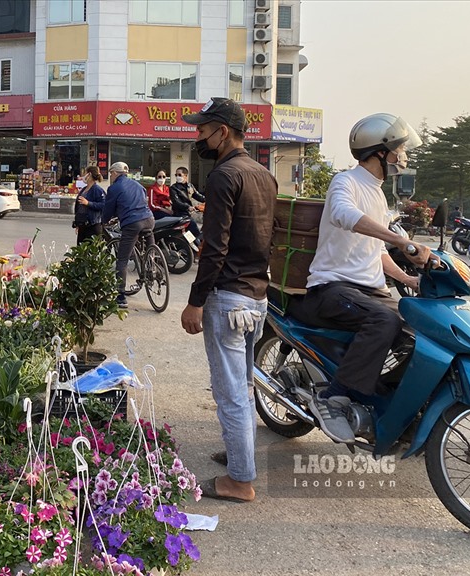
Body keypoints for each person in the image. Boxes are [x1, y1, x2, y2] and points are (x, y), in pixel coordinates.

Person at [298, 113, 432, 444]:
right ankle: (334, 396)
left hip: (370, 289)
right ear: (379, 152)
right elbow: (344, 216)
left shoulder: (378, 193)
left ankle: (388, 403)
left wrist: (408, 280)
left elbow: (374, 251)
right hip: (332, 287)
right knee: (385, 320)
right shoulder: (346, 182)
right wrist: (401, 239)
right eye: (400, 149)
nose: (404, 156)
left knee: (423, 326)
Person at [179, 97, 276, 503]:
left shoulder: (223, 175)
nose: (197, 134)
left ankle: (240, 481)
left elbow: (214, 247)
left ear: (223, 131)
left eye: (203, 128)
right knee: (243, 385)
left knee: (230, 391)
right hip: (256, 298)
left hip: (229, 298)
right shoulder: (262, 174)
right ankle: (241, 458)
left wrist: (195, 300)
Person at [102, 161, 154, 309]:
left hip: (132, 223)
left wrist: (105, 221)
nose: (110, 176)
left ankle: (121, 297)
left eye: (111, 173)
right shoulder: (138, 185)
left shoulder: (114, 188)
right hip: (149, 219)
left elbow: (109, 208)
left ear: (114, 173)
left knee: (122, 259)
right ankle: (152, 266)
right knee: (150, 241)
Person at [169, 166, 205, 241]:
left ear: (185, 176)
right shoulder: (173, 188)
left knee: (194, 230)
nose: (177, 177)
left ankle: (194, 245)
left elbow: (198, 196)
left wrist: (209, 200)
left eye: (179, 175)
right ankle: (197, 246)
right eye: (176, 175)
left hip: (189, 213)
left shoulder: (190, 186)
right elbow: (176, 202)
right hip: (180, 214)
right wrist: (188, 207)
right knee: (194, 228)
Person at [73, 165, 107, 244]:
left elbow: (103, 205)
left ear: (89, 174)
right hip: (83, 225)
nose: (83, 176)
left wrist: (88, 203)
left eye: (85, 173)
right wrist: (78, 223)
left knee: (91, 251)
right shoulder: (84, 189)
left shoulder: (97, 190)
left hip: (93, 225)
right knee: (81, 251)